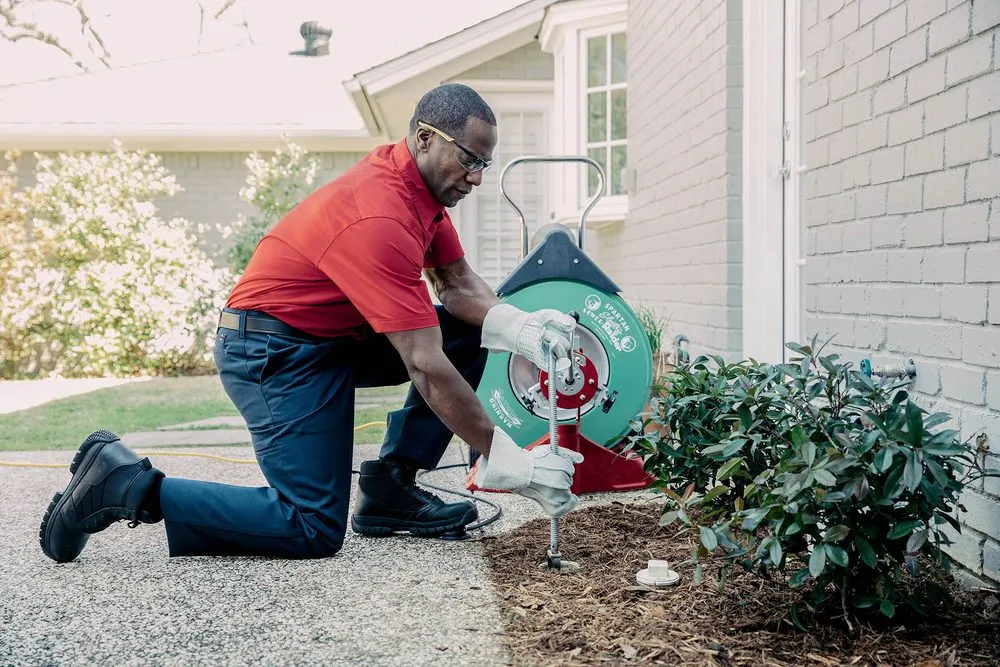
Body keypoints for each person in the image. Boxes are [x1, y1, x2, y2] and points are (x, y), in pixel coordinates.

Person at [39, 83, 584, 563]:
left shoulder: (420, 192)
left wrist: (523, 327)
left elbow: (457, 284)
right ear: (425, 138)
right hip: (270, 350)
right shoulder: (380, 215)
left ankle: (390, 490)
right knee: (310, 525)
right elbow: (424, 365)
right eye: (469, 159)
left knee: (468, 331)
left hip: (329, 338)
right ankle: (126, 486)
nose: (477, 177)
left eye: (485, 162)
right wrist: (512, 462)